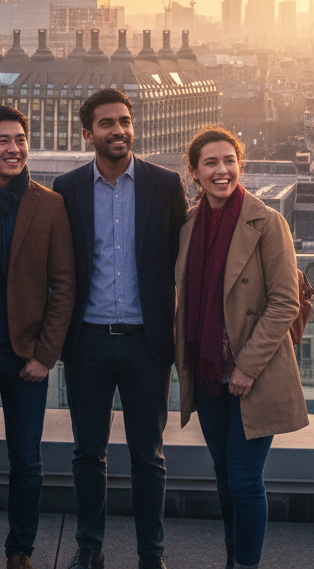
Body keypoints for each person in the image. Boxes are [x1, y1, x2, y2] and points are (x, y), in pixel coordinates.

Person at [53, 88, 188, 569]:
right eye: (108, 123)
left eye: (125, 121)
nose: (120, 131)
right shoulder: (66, 188)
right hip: (87, 342)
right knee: (88, 454)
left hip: (146, 345)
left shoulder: (165, 184)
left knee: (148, 457)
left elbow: (187, 260)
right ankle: (89, 549)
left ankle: (151, 555)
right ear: (87, 133)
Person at [175, 127, 307, 569]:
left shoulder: (268, 222)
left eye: (229, 160)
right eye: (210, 163)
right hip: (210, 370)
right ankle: (233, 558)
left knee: (246, 479)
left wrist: (247, 366)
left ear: (240, 165)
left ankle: (246, 565)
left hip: (256, 373)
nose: (222, 171)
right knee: (224, 473)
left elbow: (285, 302)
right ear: (194, 172)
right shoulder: (190, 225)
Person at [0, 106, 76, 569]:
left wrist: (47, 355)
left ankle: (21, 551)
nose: (15, 148)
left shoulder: (49, 204)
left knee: (27, 460)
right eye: (3, 140)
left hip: (27, 353)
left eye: (21, 139)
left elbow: (63, 284)